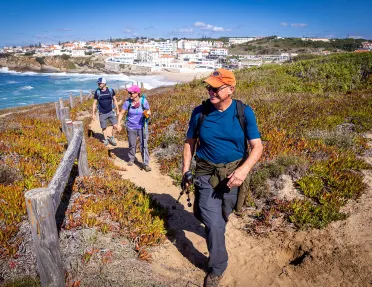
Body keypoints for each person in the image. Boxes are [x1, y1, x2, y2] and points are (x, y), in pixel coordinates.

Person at [182, 69, 263, 287]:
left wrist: (243, 171)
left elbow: (257, 147)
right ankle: (217, 267)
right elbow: (190, 142)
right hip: (206, 174)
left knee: (224, 215)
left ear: (231, 89)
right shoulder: (200, 112)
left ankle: (213, 231)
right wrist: (185, 170)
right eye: (209, 87)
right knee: (214, 222)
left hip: (233, 175)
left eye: (216, 88)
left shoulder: (244, 112)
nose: (211, 91)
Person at [117, 84, 152, 172]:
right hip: (131, 126)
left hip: (142, 127)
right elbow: (122, 113)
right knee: (132, 144)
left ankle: (145, 163)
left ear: (137, 93)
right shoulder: (128, 102)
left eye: (131, 93)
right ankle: (131, 158)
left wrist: (147, 114)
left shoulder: (144, 101)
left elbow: (149, 111)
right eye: (129, 93)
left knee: (144, 145)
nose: (130, 94)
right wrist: (118, 124)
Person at [92, 77, 119, 146]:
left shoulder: (110, 90)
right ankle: (106, 139)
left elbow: (115, 100)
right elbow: (94, 103)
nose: (99, 85)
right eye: (98, 83)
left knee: (115, 126)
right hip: (102, 113)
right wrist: (93, 114)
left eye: (100, 83)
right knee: (104, 127)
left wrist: (117, 110)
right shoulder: (97, 92)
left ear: (104, 83)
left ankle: (112, 138)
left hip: (111, 111)